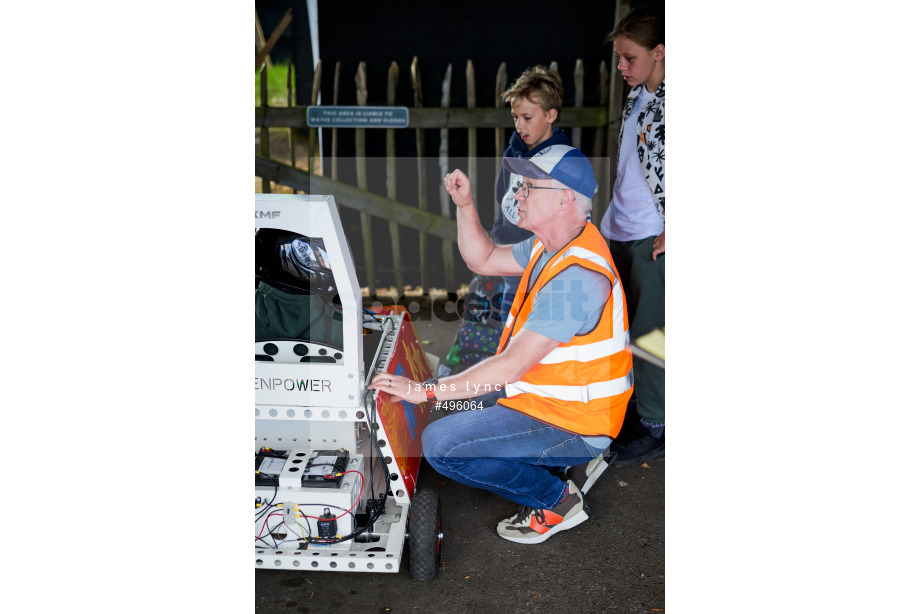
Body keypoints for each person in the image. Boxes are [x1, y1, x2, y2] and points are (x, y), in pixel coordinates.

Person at [370, 145, 633, 544]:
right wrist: (465, 204)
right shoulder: (555, 243)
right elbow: (486, 258)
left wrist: (424, 391)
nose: (518, 194)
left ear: (564, 199)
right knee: (448, 410)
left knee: (441, 446)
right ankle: (558, 469)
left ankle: (558, 499)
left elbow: (509, 367)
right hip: (544, 400)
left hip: (576, 423)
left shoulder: (577, 277)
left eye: (530, 186)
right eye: (520, 184)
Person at [597, 6, 666, 467]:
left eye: (628, 58)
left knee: (653, 335)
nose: (620, 67)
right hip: (617, 229)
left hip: (654, 238)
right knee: (619, 331)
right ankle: (631, 412)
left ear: (660, 52)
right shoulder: (638, 95)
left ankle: (658, 426)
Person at [491, 66, 570, 326]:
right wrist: (498, 236)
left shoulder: (563, 161)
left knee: (540, 329)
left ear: (550, 115)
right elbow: (501, 197)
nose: (519, 125)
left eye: (527, 117)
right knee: (510, 323)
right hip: (512, 259)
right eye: (515, 117)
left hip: (545, 263)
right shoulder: (510, 154)